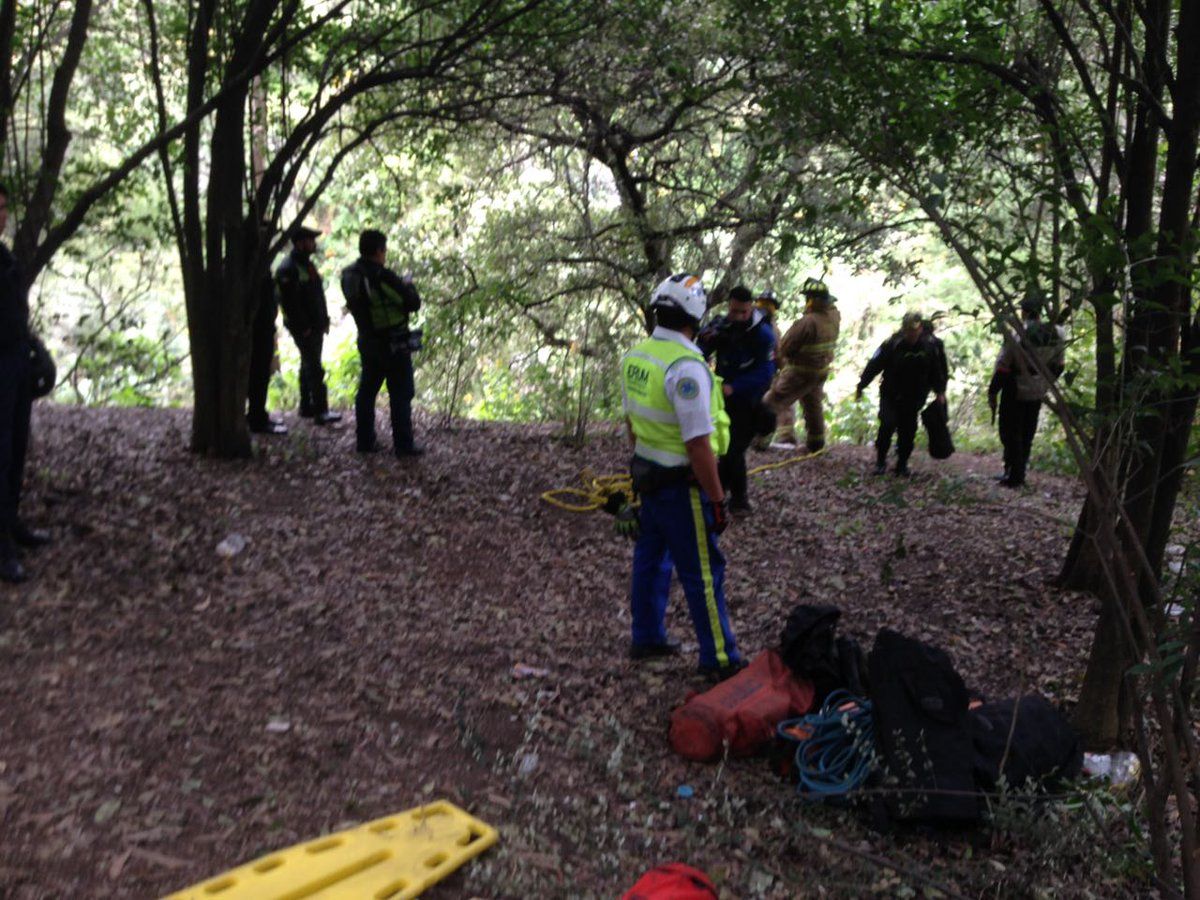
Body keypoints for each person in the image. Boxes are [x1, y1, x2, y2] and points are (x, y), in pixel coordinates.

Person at [621, 273, 744, 681]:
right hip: (680, 486)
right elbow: (697, 444)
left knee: (651, 560)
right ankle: (720, 659)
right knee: (703, 572)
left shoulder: (637, 356)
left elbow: (633, 425)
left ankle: (647, 637)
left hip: (648, 477)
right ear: (696, 314)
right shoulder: (686, 368)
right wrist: (716, 497)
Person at [0, 181, 51, 584]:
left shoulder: (5, 258)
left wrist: (36, 351)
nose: (2, 214)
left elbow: (15, 315)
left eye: (3, 207)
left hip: (14, 364)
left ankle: (11, 524)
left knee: (16, 449)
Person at [340, 229, 423, 457]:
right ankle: (404, 445)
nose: (385, 255)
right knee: (401, 393)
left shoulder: (349, 275)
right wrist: (408, 284)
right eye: (384, 250)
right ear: (378, 251)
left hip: (367, 341)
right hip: (393, 343)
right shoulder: (383, 276)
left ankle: (365, 442)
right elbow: (412, 303)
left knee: (367, 391)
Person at [697, 285, 776, 513]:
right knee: (723, 449)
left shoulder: (763, 334)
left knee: (734, 451)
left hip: (747, 400)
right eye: (733, 311)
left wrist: (735, 387)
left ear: (750, 308)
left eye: (742, 312)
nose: (738, 316)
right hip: (721, 400)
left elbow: (766, 372)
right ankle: (718, 495)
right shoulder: (722, 326)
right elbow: (700, 348)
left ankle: (739, 500)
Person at [856, 311, 948, 476]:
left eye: (914, 330)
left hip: (914, 398)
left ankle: (902, 465)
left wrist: (940, 392)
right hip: (891, 395)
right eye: (907, 330)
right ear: (903, 329)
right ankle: (880, 462)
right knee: (887, 425)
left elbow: (937, 371)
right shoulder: (892, 344)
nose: (911, 334)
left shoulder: (929, 347)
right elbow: (874, 365)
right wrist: (861, 385)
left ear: (920, 329)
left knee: (908, 431)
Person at [987, 296, 1065, 488]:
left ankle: (1015, 475)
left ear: (1024, 312)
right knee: (1027, 431)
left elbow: (1004, 366)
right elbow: (1059, 365)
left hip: (1015, 387)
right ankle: (1016, 471)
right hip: (1038, 388)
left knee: (1010, 431)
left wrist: (993, 391)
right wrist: (1045, 382)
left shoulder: (1018, 334)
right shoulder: (1058, 333)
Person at [762, 277, 841, 452]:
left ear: (813, 300)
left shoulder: (808, 322)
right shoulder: (834, 316)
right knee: (813, 406)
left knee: (772, 400)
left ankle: (760, 440)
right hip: (820, 371)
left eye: (808, 298)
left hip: (799, 372)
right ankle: (816, 444)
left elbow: (786, 346)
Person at [275, 224, 341, 425]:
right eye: (311, 240)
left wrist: (324, 321)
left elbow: (316, 296)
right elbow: (289, 303)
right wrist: (303, 327)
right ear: (301, 243)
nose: (314, 244)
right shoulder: (288, 268)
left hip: (315, 325)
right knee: (314, 367)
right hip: (304, 328)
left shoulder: (307, 265)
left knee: (308, 364)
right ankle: (321, 411)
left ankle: (307, 407)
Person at [752, 289, 796, 449]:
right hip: (762, 374)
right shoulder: (770, 328)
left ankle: (775, 437)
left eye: (767, 305)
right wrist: (783, 369)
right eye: (762, 304)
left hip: (759, 374)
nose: (764, 308)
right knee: (776, 403)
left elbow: (777, 353)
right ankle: (767, 439)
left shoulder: (748, 321)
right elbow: (778, 353)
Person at [245, 273, 287, 435]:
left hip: (263, 329)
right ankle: (257, 419)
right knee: (258, 375)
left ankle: (258, 415)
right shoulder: (254, 273)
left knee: (261, 375)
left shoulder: (260, 272)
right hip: (258, 331)